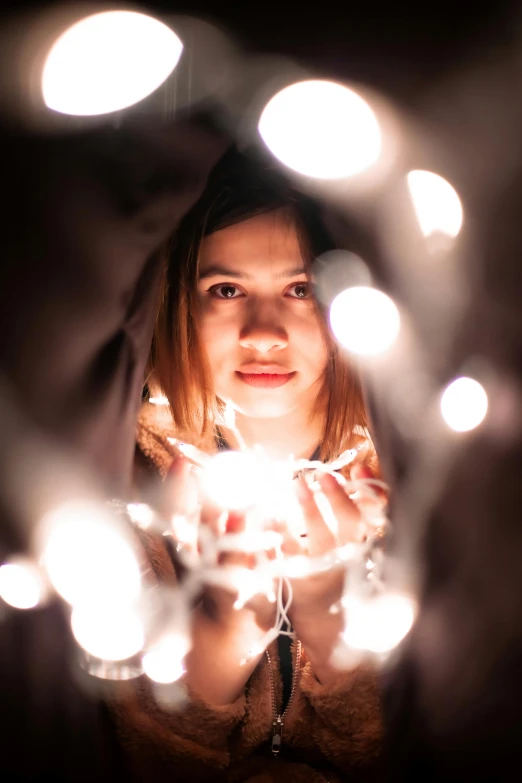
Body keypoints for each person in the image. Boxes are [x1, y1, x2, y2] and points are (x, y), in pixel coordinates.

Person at [107, 148, 384, 783]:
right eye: (226, 289)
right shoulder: (130, 484)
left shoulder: (395, 475)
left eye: (300, 289)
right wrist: (229, 626)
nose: (264, 333)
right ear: (180, 303)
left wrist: (325, 609)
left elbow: (406, 749)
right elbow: (150, 759)